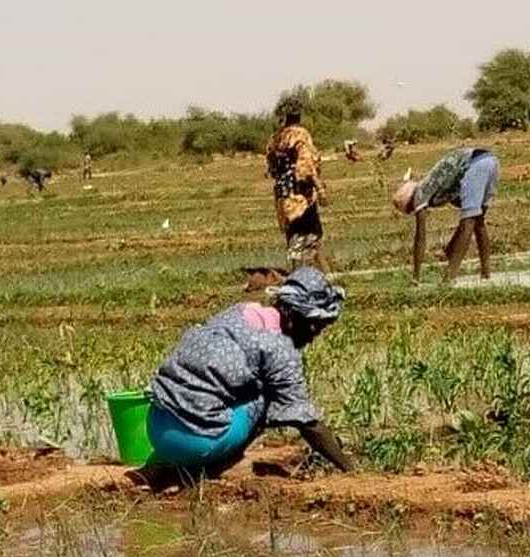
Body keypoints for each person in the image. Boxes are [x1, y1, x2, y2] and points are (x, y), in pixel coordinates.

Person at [146, 267, 352, 482]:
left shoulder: (240, 311)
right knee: (266, 395)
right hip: (196, 443)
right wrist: (349, 468)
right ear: (293, 315)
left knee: (230, 386)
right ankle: (222, 464)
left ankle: (161, 464)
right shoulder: (279, 348)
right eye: (314, 327)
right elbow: (307, 423)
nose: (312, 337)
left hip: (155, 429)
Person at [393, 147, 500, 284]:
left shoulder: (420, 192)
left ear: (410, 200)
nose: (415, 212)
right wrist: (449, 249)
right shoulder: (439, 190)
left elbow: (420, 236)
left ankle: (449, 278)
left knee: (469, 221)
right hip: (491, 161)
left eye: (410, 209)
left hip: (475, 165)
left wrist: (416, 276)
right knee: (478, 222)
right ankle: (486, 275)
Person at [265, 101, 327, 271]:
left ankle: (298, 277)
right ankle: (313, 279)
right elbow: (305, 167)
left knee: (293, 236)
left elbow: (270, 168)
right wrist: (319, 188)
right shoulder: (300, 135)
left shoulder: (276, 137)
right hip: (300, 194)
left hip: (282, 194)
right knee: (310, 236)